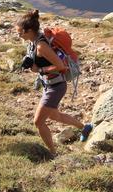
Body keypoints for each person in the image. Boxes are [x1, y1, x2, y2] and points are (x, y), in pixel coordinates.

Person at [15, 10, 92, 155]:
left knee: (38, 122)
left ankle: (52, 153)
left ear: (29, 30)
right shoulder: (33, 42)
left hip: (55, 86)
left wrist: (40, 69)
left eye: (20, 32)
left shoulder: (41, 46)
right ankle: (85, 127)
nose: (18, 35)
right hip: (49, 84)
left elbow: (61, 66)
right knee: (54, 116)